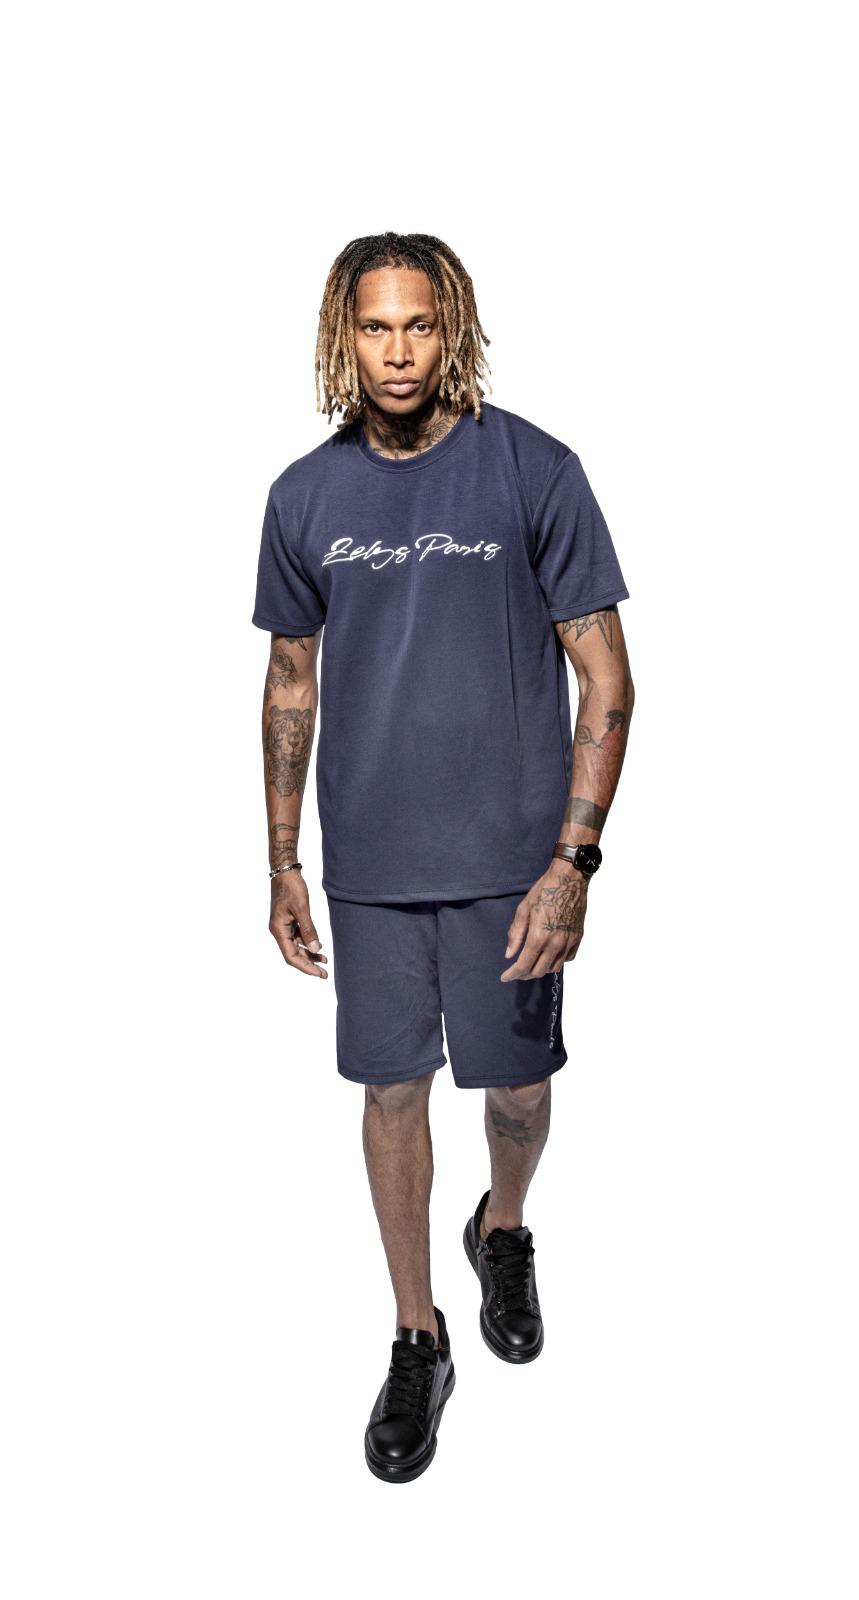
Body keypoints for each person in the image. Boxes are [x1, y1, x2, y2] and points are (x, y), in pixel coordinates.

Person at [251, 231, 635, 1483]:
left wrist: (571, 862)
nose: (399, 351)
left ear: (451, 327)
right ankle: (417, 1334)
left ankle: (502, 1226)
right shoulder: (303, 497)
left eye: (419, 324)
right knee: (392, 1093)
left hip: (513, 865)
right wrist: (281, 861)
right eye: (375, 327)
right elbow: (290, 682)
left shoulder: (533, 469)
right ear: (343, 337)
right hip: (369, 863)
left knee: (515, 1092)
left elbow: (607, 678)